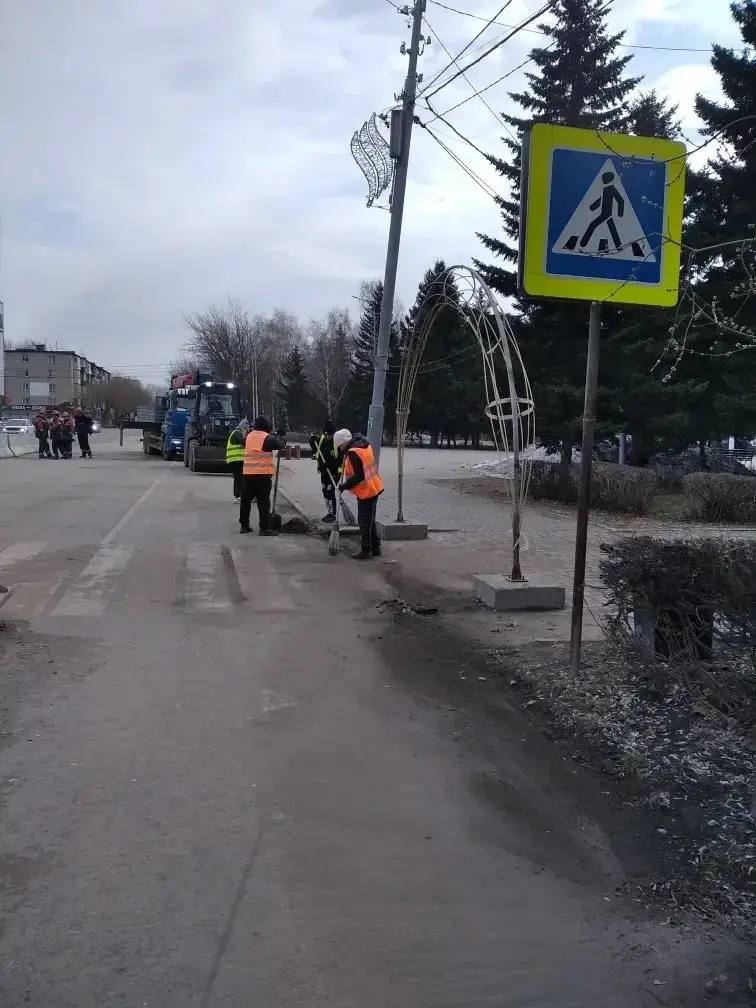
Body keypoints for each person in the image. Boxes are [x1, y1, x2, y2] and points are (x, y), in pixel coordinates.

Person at [333, 428, 384, 560]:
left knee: (364, 522)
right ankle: (376, 547)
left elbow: (359, 475)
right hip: (375, 486)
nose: (340, 449)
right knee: (370, 520)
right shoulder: (363, 443)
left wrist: (344, 486)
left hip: (366, 490)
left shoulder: (353, 452)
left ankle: (366, 550)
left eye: (340, 446)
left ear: (344, 443)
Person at [239, 417, 286, 535]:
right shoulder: (267, 438)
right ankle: (264, 528)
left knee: (246, 501)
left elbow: (246, 444)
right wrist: (281, 436)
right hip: (262, 476)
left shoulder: (248, 436)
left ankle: (244, 526)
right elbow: (280, 444)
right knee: (263, 502)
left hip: (248, 474)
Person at [309, 420, 340, 522]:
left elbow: (340, 460)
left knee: (330, 491)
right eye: (327, 434)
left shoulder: (337, 442)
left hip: (334, 473)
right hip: (323, 471)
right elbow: (316, 449)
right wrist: (312, 441)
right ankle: (329, 512)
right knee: (325, 491)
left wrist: (331, 465)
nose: (329, 437)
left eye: (331, 435)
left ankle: (333, 514)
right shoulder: (322, 439)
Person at [225, 417, 249, 500]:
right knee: (239, 478)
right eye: (246, 427)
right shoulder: (237, 432)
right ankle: (238, 496)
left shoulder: (238, 432)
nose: (247, 429)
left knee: (239, 477)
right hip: (236, 459)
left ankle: (239, 495)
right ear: (243, 426)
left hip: (238, 459)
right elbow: (244, 442)